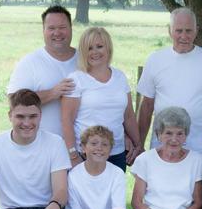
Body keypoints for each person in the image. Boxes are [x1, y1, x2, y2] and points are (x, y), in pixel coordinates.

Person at [137, 7, 202, 164]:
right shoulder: (155, 59)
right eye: (179, 31)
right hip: (162, 148)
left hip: (199, 148)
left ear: (196, 31)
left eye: (188, 31)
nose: (184, 36)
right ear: (170, 30)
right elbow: (146, 105)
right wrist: (139, 143)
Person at [61, 27, 142, 171]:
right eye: (89, 48)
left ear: (108, 48)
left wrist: (138, 145)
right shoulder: (76, 79)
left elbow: (129, 116)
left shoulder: (120, 77)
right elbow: (66, 120)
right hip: (86, 155)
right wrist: (73, 155)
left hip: (117, 153)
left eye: (99, 46)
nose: (95, 52)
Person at [7, 6, 78, 137]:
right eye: (51, 28)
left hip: (85, 145)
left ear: (71, 28)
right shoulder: (30, 62)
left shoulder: (87, 60)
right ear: (43, 30)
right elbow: (13, 100)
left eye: (62, 27)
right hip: (43, 144)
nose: (57, 33)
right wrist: (52, 93)